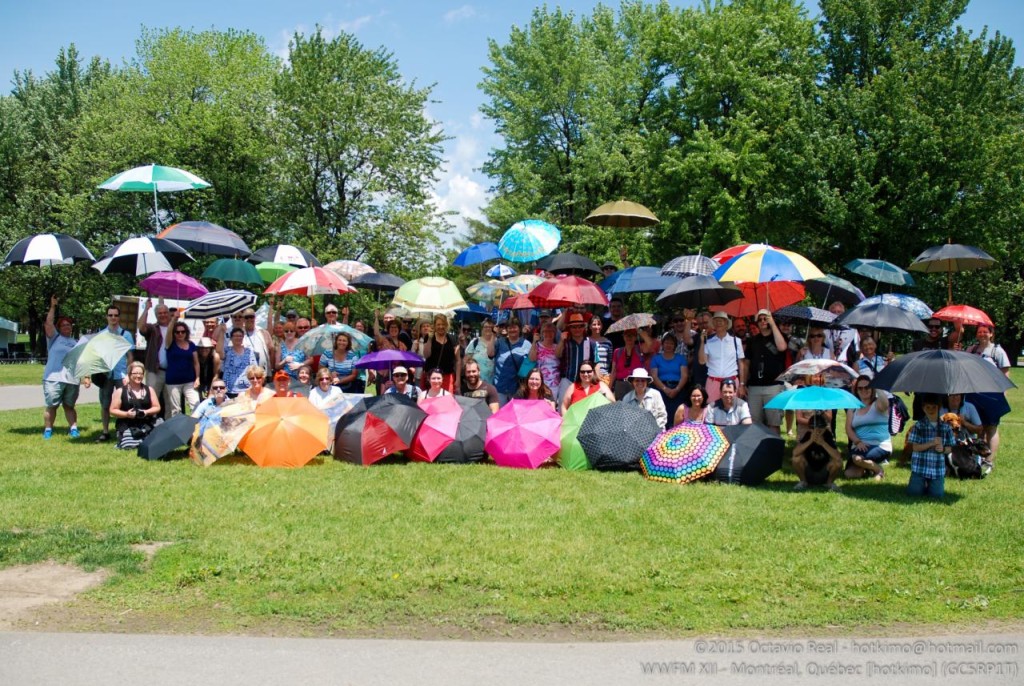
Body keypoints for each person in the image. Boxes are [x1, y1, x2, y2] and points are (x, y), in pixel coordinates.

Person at [41, 295, 87, 439]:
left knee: (69, 406)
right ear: (59, 328)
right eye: (64, 325)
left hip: (72, 380)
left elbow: (83, 360)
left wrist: (86, 376)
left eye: (69, 325)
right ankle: (48, 430)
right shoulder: (54, 339)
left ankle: (73, 429)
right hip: (53, 378)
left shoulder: (76, 342)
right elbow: (48, 323)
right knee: (52, 405)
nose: (67, 326)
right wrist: (53, 306)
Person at [966, 323, 1011, 464]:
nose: (982, 334)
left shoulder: (997, 351)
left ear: (991, 334)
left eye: (986, 331)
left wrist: (1003, 392)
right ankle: (977, 457)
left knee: (991, 427)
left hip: (992, 394)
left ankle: (989, 460)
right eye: (979, 332)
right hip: (973, 393)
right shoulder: (971, 350)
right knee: (978, 427)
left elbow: (1005, 373)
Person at [95, 304, 135, 443]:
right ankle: (105, 432)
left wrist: (129, 375)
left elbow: (130, 356)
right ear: (107, 317)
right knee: (105, 404)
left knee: (123, 403)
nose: (113, 318)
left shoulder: (126, 335)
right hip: (106, 375)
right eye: (110, 315)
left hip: (121, 374)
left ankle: (122, 431)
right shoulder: (101, 335)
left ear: (119, 317)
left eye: (116, 315)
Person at [742, 309, 787, 433]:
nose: (763, 321)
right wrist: (743, 383)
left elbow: (782, 347)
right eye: (760, 319)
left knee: (774, 422)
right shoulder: (752, 341)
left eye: (765, 318)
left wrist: (772, 324)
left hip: (773, 386)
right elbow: (746, 363)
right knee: (755, 422)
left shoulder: (778, 336)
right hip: (755, 387)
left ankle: (774, 450)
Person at [906, 394, 955, 498]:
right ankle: (921, 484)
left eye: (934, 407)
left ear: (939, 407)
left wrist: (943, 449)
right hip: (920, 468)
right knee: (914, 494)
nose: (931, 410)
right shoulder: (918, 426)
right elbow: (915, 447)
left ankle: (930, 485)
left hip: (937, 469)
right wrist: (931, 443)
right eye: (928, 407)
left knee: (937, 496)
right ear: (923, 408)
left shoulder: (946, 428)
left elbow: (951, 448)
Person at [844, 375, 891, 480]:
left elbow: (885, 405)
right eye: (860, 388)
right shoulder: (853, 407)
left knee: (857, 459)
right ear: (856, 390)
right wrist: (857, 442)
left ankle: (879, 470)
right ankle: (869, 468)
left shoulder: (877, 403)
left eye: (867, 387)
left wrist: (878, 386)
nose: (864, 390)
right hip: (860, 446)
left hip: (879, 445)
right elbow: (848, 429)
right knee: (850, 474)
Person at [110, 361, 161, 450]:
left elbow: (157, 407)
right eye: (135, 373)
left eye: (141, 373)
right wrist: (127, 414)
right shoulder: (121, 391)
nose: (138, 376)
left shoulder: (149, 389)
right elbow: (113, 410)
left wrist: (146, 412)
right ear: (129, 374)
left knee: (154, 442)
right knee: (129, 445)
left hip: (146, 423)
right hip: (127, 425)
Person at [697, 311, 745, 404]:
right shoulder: (709, 342)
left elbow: (741, 363)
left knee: (732, 412)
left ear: (726, 324)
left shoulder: (736, 341)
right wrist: (702, 342)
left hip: (731, 382)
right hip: (713, 382)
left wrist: (742, 384)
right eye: (716, 321)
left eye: (721, 320)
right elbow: (702, 361)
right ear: (713, 324)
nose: (718, 323)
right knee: (711, 412)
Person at [792, 411, 842, 492]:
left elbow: (838, 457)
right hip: (809, 470)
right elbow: (795, 453)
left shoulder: (827, 435)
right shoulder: (808, 435)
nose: (817, 430)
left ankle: (829, 483)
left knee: (838, 462)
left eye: (821, 428)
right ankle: (803, 482)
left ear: (825, 427)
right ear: (810, 428)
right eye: (814, 428)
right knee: (796, 459)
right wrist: (810, 441)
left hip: (824, 471)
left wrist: (823, 443)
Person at [163, 317, 200, 418]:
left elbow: (196, 363)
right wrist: (173, 319)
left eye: (183, 332)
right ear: (173, 333)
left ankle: (195, 428)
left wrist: (197, 378)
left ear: (186, 332)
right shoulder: (170, 344)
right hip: (173, 382)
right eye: (177, 332)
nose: (180, 334)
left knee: (196, 405)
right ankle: (177, 431)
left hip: (189, 381)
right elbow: (169, 332)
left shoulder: (191, 345)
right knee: (176, 410)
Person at [555, 312, 595, 403]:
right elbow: (557, 354)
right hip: (567, 379)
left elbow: (596, 363)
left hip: (585, 380)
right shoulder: (565, 342)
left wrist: (596, 381)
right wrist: (561, 341)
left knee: (583, 407)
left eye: (580, 326)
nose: (577, 329)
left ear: (584, 327)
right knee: (563, 406)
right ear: (569, 328)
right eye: (574, 327)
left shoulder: (591, 343)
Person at [138, 297, 172, 402]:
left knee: (170, 401)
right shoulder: (153, 329)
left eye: (165, 312)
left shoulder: (176, 328)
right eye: (159, 313)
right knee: (152, 399)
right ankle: (151, 418)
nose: (163, 315)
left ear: (169, 314)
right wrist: (146, 309)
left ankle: (169, 419)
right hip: (154, 370)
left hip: (172, 371)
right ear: (156, 315)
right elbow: (141, 327)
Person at [649, 333, 688, 425]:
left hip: (678, 389)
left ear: (675, 345)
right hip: (660, 389)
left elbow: (684, 376)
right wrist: (665, 389)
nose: (668, 345)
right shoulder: (656, 359)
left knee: (677, 415)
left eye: (671, 343)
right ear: (662, 344)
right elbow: (654, 376)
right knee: (660, 414)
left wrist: (676, 389)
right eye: (666, 343)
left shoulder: (681, 358)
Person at [493, 318, 532, 405]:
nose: (512, 330)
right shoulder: (500, 342)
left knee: (515, 416)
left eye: (515, 327)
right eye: (510, 328)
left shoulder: (527, 344)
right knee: (500, 416)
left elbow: (531, 364)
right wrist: (493, 334)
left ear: (520, 329)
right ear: (506, 329)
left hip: (517, 389)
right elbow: (490, 354)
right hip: (500, 387)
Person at [421, 314, 460, 392]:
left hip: (447, 377)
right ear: (434, 326)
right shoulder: (429, 337)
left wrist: (458, 379)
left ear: (447, 325)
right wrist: (429, 339)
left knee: (446, 401)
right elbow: (426, 355)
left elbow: (458, 360)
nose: (441, 327)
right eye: (438, 324)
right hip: (431, 377)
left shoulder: (453, 339)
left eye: (443, 324)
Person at [609, 328, 645, 400]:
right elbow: (613, 372)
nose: (629, 337)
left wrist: (640, 331)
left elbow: (649, 344)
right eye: (627, 335)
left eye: (632, 335)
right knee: (620, 409)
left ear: (635, 337)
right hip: (620, 384)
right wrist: (609, 388)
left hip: (635, 383)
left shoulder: (640, 349)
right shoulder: (617, 351)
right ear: (623, 337)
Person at [222, 328, 258, 397]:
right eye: (235, 336)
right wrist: (221, 331)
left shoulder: (249, 351)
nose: (238, 338)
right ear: (231, 338)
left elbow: (254, 368)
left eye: (240, 336)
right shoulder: (226, 350)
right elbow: (219, 352)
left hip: (246, 388)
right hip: (229, 389)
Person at [240, 307, 274, 378]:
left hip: (264, 373)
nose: (249, 319)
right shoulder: (239, 334)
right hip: (246, 374)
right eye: (247, 317)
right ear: (243, 319)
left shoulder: (263, 332)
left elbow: (271, 350)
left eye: (251, 317)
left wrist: (271, 368)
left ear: (255, 317)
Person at [529, 321, 561, 395]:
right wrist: (534, 341)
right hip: (539, 382)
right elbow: (532, 358)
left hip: (555, 383)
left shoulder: (557, 347)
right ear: (541, 333)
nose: (548, 334)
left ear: (555, 333)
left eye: (551, 331)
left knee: (551, 405)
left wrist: (562, 340)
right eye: (545, 331)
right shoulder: (537, 345)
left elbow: (560, 356)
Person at [463, 318, 497, 385]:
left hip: (493, 383)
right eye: (486, 327)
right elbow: (465, 361)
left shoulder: (498, 342)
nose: (488, 328)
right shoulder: (475, 342)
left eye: (490, 327)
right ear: (482, 328)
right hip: (475, 382)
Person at [587, 315, 613, 386]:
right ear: (589, 326)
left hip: (604, 376)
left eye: (599, 324)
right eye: (594, 324)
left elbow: (610, 360)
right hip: (589, 375)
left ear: (601, 326)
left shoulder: (608, 342)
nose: (597, 327)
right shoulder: (586, 341)